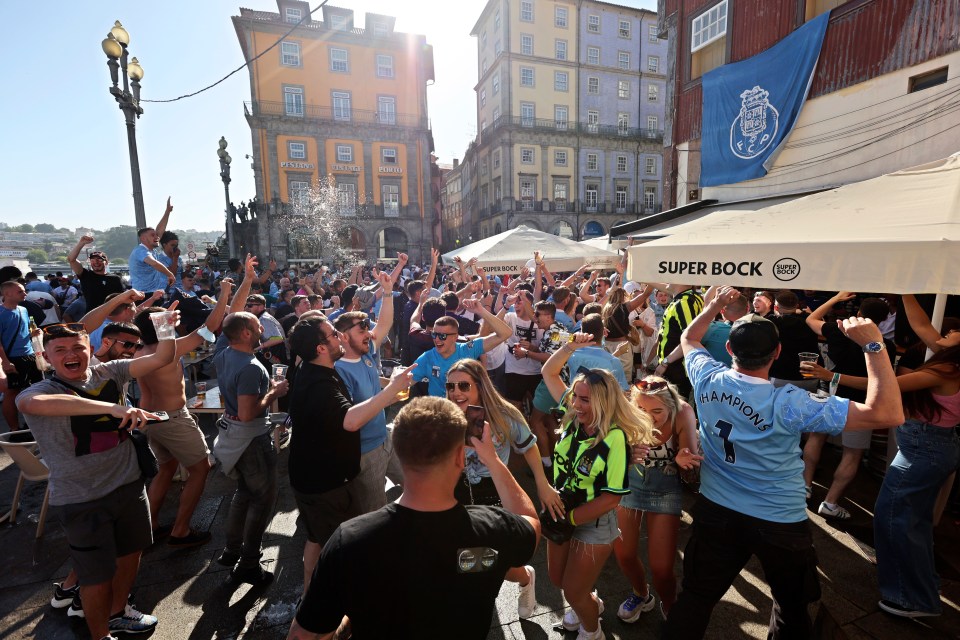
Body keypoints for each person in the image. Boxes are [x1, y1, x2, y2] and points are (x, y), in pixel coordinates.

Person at [662, 288, 903, 639]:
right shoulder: (790, 402)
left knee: (696, 598)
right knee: (791, 607)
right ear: (777, 352)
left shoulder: (706, 376)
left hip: (717, 510)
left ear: (729, 349)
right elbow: (888, 412)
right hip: (779, 520)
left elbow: (688, 337)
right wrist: (874, 346)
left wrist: (713, 305)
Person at [285, 396, 540, 640]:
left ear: (398, 452)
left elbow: (303, 634)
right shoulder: (493, 529)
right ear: (460, 458)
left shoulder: (349, 540)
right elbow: (530, 521)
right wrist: (492, 459)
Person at [17, 320, 180, 639]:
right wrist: (112, 409)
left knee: (132, 553)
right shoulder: (42, 390)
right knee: (94, 576)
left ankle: (119, 612)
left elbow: (161, 358)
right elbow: (31, 404)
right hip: (82, 499)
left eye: (78, 347)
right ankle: (100, 635)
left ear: (90, 350)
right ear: (47, 358)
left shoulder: (111, 371)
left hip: (130, 486)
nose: (70, 354)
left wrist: (166, 329)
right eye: (60, 350)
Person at [803, 302, 960, 618]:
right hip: (932, 448)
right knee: (910, 521)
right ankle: (921, 589)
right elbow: (922, 326)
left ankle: (910, 600)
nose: (948, 331)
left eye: (954, 330)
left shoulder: (947, 369)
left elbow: (886, 385)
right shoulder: (947, 358)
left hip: (923, 451)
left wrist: (836, 371)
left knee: (895, 520)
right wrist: (906, 291)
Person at [286, 315, 414, 599]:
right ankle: (328, 613)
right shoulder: (319, 383)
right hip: (324, 485)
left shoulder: (316, 370)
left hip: (312, 479)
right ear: (321, 347)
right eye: (333, 334)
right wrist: (392, 390)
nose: (340, 337)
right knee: (337, 548)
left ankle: (311, 597)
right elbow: (350, 420)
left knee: (317, 540)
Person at [540, 334, 657, 640]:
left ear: (602, 402)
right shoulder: (574, 414)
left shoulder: (615, 438)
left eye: (584, 399)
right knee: (557, 579)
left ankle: (592, 631)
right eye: (574, 396)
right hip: (560, 512)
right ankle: (589, 603)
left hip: (593, 522)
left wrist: (571, 518)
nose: (575, 403)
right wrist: (570, 346)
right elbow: (548, 373)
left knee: (574, 589)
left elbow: (611, 500)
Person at [445, 358, 561, 619]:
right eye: (451, 386)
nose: (456, 392)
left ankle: (524, 577)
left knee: (499, 562)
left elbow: (528, 446)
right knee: (466, 558)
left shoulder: (503, 414)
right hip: (459, 493)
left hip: (495, 493)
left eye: (463, 385)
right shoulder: (446, 414)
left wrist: (543, 485)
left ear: (480, 386)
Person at [131, 277, 232, 547]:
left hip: (150, 418)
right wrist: (224, 293)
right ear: (160, 327)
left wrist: (152, 310)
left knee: (166, 468)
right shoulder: (168, 351)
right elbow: (210, 326)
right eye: (167, 321)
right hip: (173, 417)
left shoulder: (139, 351)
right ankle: (181, 529)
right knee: (201, 468)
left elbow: (137, 319)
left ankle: (149, 526)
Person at [613, 376, 701, 623]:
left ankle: (670, 604)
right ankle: (642, 594)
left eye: (657, 411)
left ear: (671, 407)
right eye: (640, 409)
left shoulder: (683, 413)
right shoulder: (624, 412)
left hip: (666, 486)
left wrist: (684, 462)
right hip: (630, 484)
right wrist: (625, 453)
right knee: (624, 555)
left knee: (662, 568)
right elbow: (607, 454)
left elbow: (692, 474)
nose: (648, 417)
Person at [212, 310, 290, 584]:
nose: (262, 330)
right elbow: (247, 413)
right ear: (246, 333)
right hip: (252, 441)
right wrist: (274, 392)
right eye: (258, 326)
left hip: (233, 435)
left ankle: (231, 551)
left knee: (243, 493)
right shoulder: (251, 367)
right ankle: (248, 563)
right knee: (262, 500)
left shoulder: (223, 352)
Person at [803, 291, 896, 518]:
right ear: (883, 320)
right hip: (860, 402)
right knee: (852, 453)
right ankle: (830, 502)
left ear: (858, 313)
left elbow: (811, 319)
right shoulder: (884, 346)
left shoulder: (835, 331)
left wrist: (836, 299)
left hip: (829, 392)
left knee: (816, 438)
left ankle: (803, 488)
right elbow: (874, 383)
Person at [332, 271, 400, 513]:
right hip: (365, 451)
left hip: (385, 439)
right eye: (362, 330)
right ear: (343, 337)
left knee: (414, 481)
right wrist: (392, 389)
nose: (369, 333)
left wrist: (389, 292)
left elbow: (384, 324)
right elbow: (351, 417)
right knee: (375, 510)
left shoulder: (365, 352)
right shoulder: (338, 370)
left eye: (367, 327)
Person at [410, 298, 511, 397]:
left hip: (463, 409)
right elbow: (406, 381)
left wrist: (481, 311)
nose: (436, 339)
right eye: (434, 335)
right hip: (439, 410)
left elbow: (506, 333)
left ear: (455, 337)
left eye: (442, 336)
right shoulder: (427, 357)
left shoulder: (467, 349)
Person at [0, 280, 44, 431]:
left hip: (30, 355)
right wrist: (5, 362)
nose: (25, 293)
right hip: (13, 358)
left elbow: (23, 332)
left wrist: (33, 333)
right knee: (12, 393)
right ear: (7, 294)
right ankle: (14, 429)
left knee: (36, 389)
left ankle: (33, 425)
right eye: (20, 291)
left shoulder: (23, 310)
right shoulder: (1, 313)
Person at [129, 199, 176, 293]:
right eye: (152, 235)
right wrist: (170, 274)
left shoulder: (151, 250)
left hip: (154, 293)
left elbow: (160, 230)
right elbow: (154, 263)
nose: (157, 237)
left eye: (156, 235)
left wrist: (167, 212)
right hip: (143, 294)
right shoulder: (140, 251)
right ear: (143, 239)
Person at [68, 239, 124, 310]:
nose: (96, 262)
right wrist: (81, 243)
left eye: (99, 260)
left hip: (113, 315)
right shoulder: (85, 275)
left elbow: (121, 298)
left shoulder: (115, 278)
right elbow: (71, 260)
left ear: (106, 262)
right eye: (93, 260)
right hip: (93, 316)